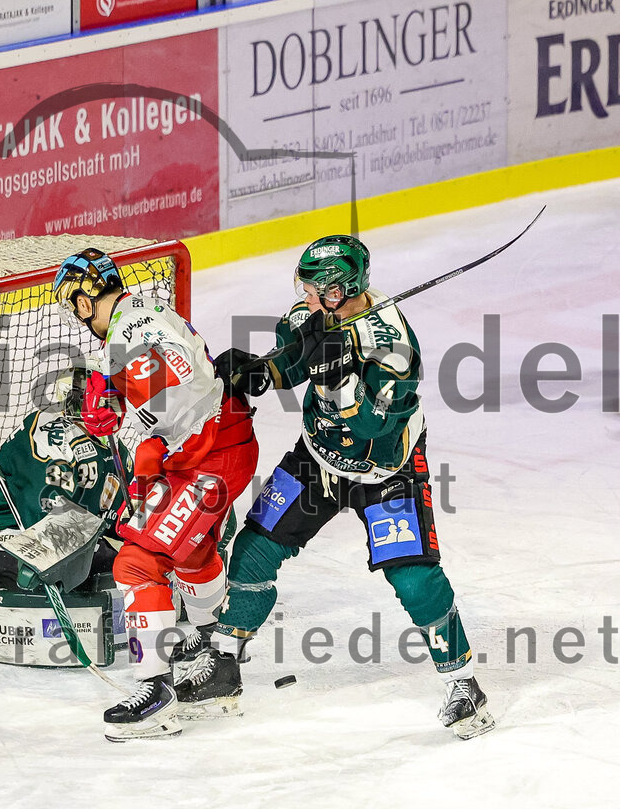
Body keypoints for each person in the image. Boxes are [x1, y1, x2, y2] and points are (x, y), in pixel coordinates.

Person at [191, 235, 495, 740]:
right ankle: (224, 663)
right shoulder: (315, 316)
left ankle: (464, 684)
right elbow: (289, 362)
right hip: (317, 459)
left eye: (315, 289)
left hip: (385, 472)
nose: (305, 297)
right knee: (253, 549)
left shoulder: (396, 350)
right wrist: (257, 371)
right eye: (304, 287)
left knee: (415, 579)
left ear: (340, 290)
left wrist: (341, 382)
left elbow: (375, 426)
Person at [53, 248, 258, 741]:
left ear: (85, 300)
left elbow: (172, 387)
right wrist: (114, 391)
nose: (76, 315)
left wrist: (121, 407)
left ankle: (157, 693)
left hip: (210, 454)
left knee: (137, 564)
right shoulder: (135, 316)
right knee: (192, 553)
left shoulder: (131, 328)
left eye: (72, 303)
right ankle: (215, 662)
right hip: (208, 449)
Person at [0, 365, 131, 592]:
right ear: (77, 400)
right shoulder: (52, 434)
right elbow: (43, 514)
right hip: (5, 535)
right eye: (105, 399)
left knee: (123, 578)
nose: (114, 408)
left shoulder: (114, 448)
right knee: (34, 596)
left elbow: (123, 514)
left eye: (117, 399)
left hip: (76, 535)